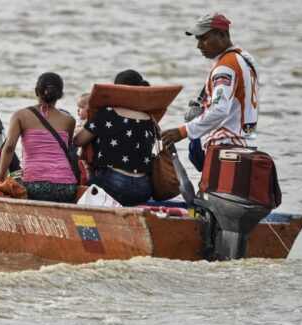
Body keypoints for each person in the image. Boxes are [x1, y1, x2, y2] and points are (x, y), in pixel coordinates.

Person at [162, 12, 259, 162]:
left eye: (204, 38)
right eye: (197, 39)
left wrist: (182, 131)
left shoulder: (224, 68)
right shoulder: (246, 58)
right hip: (248, 145)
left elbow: (219, 109)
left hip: (227, 148)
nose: (199, 45)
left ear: (221, 35)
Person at [0, 73, 77, 203]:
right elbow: (67, 150)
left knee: (11, 178)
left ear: (36, 92)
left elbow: (8, 148)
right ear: (60, 95)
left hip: (33, 186)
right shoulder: (70, 120)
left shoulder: (20, 115)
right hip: (66, 188)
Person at [73, 70, 155, 206]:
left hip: (114, 186)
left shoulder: (108, 114)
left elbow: (78, 140)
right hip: (144, 189)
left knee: (82, 188)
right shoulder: (149, 118)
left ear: (117, 90)